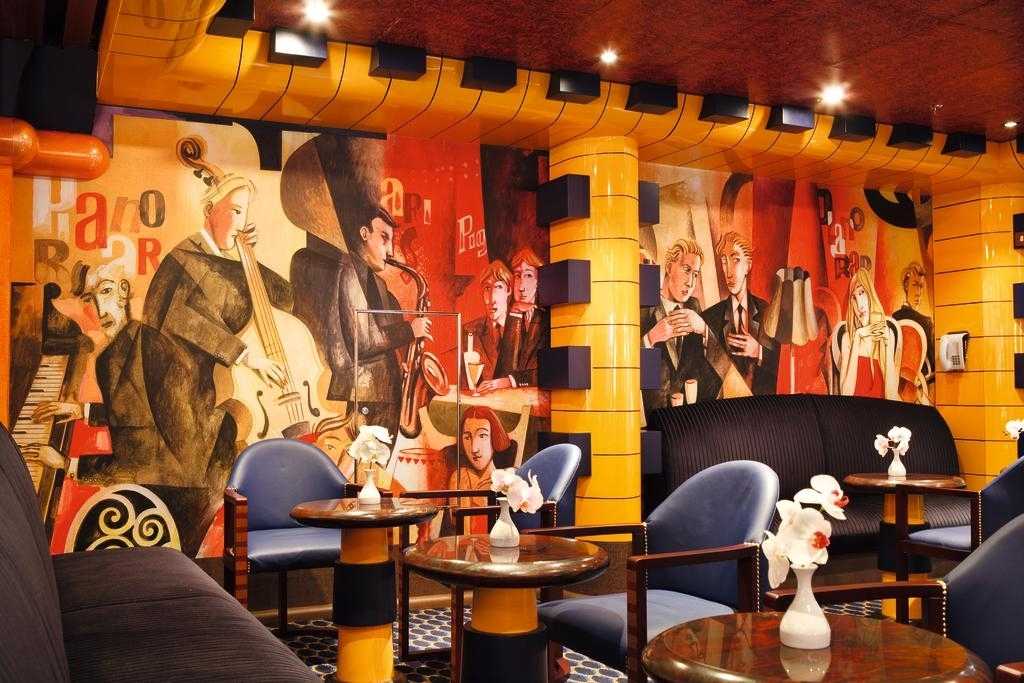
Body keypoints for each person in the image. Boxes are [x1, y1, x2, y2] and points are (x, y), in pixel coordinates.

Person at [31, 262, 235, 556]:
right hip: (173, 475)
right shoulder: (118, 351)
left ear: (123, 292)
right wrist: (82, 411)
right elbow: (137, 416)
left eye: (105, 292)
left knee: (88, 548)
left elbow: (141, 457)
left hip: (184, 490)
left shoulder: (151, 346)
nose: (98, 308)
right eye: (89, 298)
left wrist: (67, 464)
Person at [143, 166, 293, 454]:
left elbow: (284, 298)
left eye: (245, 213)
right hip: (178, 394)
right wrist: (246, 357)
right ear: (210, 210)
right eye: (235, 211)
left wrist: (249, 255)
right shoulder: (186, 259)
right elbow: (182, 318)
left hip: (203, 387)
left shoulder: (216, 259)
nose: (242, 223)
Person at [640, 238, 727, 408]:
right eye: (687, 270)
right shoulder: (646, 308)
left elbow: (719, 367)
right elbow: (627, 369)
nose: (691, 282)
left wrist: (704, 329)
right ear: (668, 267)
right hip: (656, 414)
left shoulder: (694, 306)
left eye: (695, 274)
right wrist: (650, 338)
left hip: (690, 414)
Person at [702, 231, 779, 395]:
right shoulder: (710, 317)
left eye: (736, 260)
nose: (728, 272)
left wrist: (758, 351)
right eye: (724, 262)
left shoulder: (768, 312)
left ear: (748, 265)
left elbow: (781, 366)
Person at [480, 246, 548, 393]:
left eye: (528, 275)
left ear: (539, 281)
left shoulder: (548, 319)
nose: (521, 286)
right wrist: (515, 313)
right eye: (517, 276)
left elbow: (549, 372)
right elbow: (503, 371)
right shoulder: (513, 317)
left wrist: (510, 381)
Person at [443, 406, 517, 533]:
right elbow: (456, 525)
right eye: (467, 437)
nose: (474, 448)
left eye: (482, 436)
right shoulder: (460, 478)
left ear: (495, 437)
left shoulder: (509, 478)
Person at [834, 268, 900, 400]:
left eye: (862, 292)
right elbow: (846, 395)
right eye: (854, 298)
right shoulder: (848, 339)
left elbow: (892, 396)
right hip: (854, 411)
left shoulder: (888, 334)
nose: (859, 305)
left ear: (871, 294)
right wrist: (857, 339)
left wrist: (887, 345)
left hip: (880, 411)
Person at [463, 260, 513, 386]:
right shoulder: (470, 331)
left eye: (498, 287)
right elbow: (465, 383)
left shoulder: (522, 329)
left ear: (509, 290)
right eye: (487, 288)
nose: (491, 299)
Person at [892, 262, 934, 387]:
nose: (918, 292)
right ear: (906, 286)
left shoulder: (893, 319)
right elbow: (933, 365)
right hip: (920, 385)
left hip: (896, 385)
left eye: (921, 286)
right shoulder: (926, 322)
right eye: (915, 285)